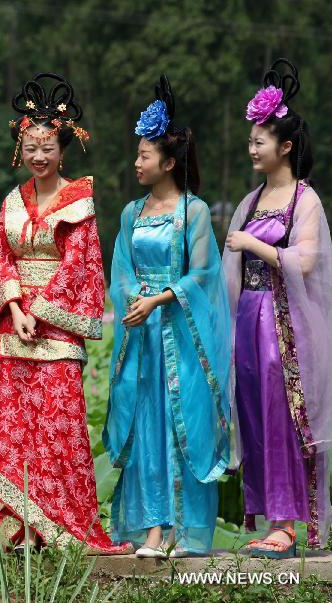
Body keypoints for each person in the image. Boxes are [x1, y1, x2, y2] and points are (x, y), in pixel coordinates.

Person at [0, 73, 127, 553]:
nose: (38, 156)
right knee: (16, 426)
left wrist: (40, 312)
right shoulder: (11, 202)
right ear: (19, 150)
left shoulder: (78, 203)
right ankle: (19, 529)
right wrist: (17, 309)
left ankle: (63, 528)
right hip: (16, 328)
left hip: (57, 332)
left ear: (63, 150)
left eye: (47, 148)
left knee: (58, 430)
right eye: (30, 147)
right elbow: (0, 259)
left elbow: (80, 266)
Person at [104, 76, 231, 558]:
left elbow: (202, 274)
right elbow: (121, 267)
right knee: (147, 429)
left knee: (183, 428)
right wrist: (134, 299)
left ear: (169, 162)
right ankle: (152, 529)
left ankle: (182, 529)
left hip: (181, 335)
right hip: (142, 339)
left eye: (143, 155)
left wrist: (159, 300)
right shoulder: (131, 213)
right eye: (137, 155)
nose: (136, 163)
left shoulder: (193, 212)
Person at [224, 58, 332, 557]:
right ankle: (271, 518)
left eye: (259, 141)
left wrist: (256, 245)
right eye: (250, 141)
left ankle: (288, 525)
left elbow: (307, 260)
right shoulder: (252, 198)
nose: (252, 148)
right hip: (247, 315)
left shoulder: (303, 200)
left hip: (281, 323)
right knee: (252, 411)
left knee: (282, 414)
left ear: (285, 146)